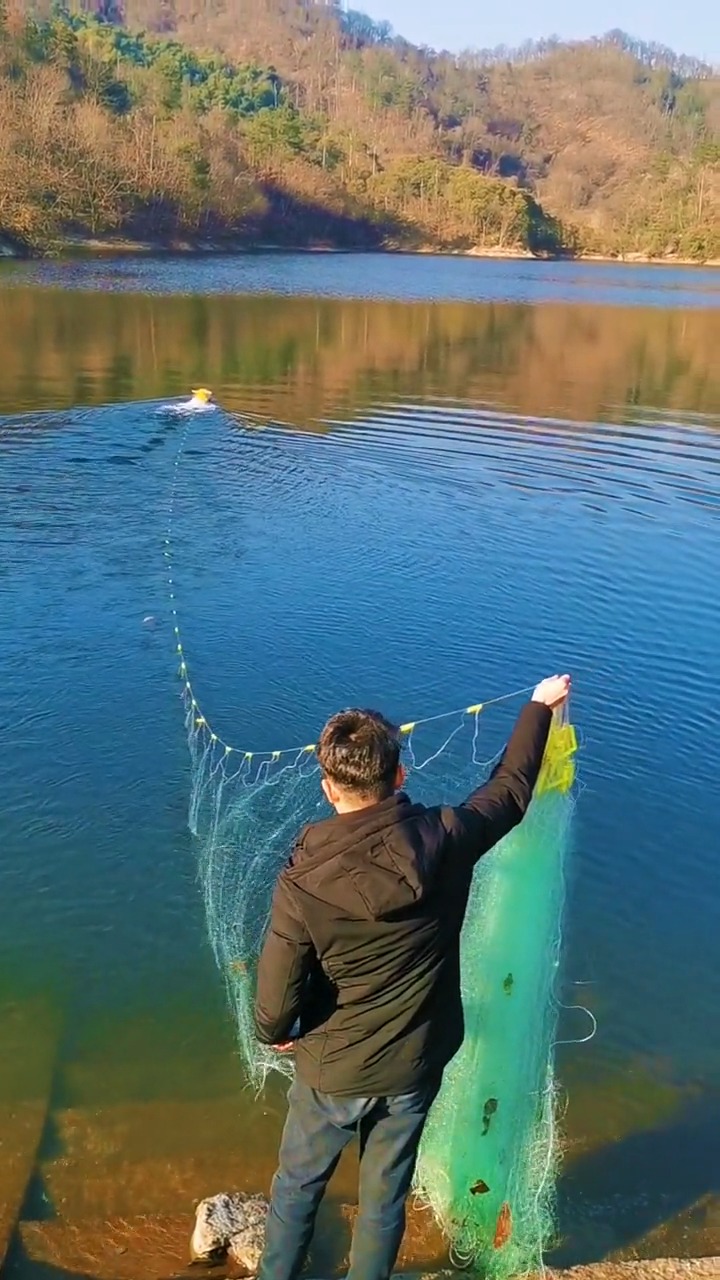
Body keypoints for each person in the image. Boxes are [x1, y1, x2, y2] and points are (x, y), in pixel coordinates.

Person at [254, 673, 571, 1280]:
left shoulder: (302, 879)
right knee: (385, 1197)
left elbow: (275, 996)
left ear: (327, 787)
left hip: (332, 1069)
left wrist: (276, 1032)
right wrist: (537, 708)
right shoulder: (447, 837)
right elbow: (508, 793)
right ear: (399, 775)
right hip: (415, 1060)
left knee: (297, 1187)